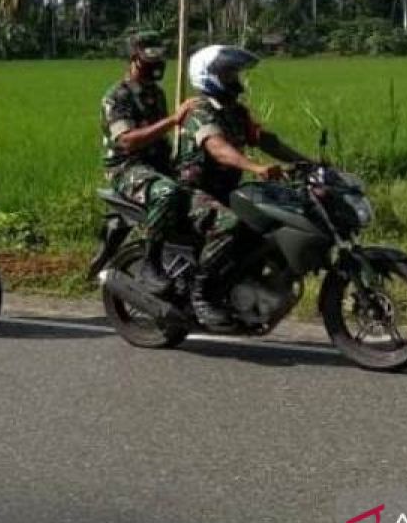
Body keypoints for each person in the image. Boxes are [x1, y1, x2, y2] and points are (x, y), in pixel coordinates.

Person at [176, 45, 312, 327]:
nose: (234, 79)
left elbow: (266, 140)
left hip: (227, 189)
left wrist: (308, 162)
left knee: (268, 219)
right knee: (229, 223)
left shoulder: (236, 111)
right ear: (208, 76)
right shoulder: (199, 111)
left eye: (234, 73)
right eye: (227, 73)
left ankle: (247, 281)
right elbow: (218, 149)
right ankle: (201, 294)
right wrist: (256, 167)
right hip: (195, 192)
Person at [100, 31, 199, 295]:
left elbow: (161, 135)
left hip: (159, 164)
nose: (157, 65)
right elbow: (128, 141)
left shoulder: (156, 92)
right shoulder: (116, 96)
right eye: (149, 60)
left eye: (159, 59)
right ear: (134, 59)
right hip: (127, 168)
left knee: (206, 189)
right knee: (168, 194)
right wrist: (173, 120)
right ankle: (150, 262)